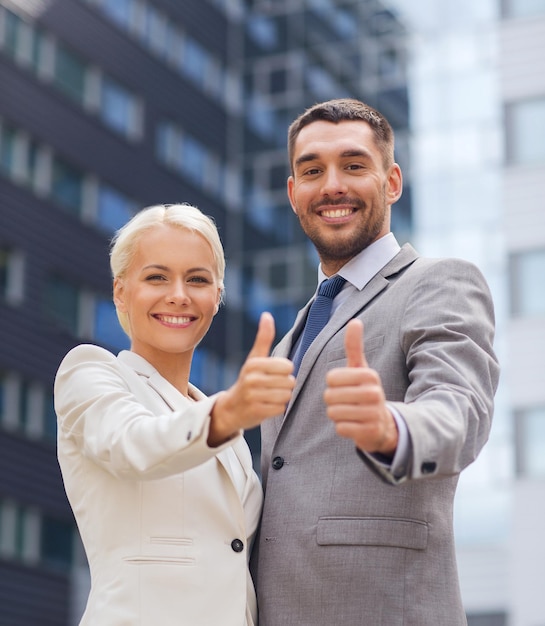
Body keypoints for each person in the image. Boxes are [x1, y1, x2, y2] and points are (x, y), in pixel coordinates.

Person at [252, 99, 500, 626]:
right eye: (312, 170)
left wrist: (390, 426)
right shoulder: (289, 339)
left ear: (391, 183)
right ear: (294, 194)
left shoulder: (439, 282)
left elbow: (458, 409)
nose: (333, 185)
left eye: (354, 165)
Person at [54, 203, 294, 626]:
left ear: (217, 297)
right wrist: (228, 413)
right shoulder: (90, 372)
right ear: (121, 291)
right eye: (156, 277)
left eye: (197, 279)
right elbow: (133, 444)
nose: (179, 295)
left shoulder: (229, 434)